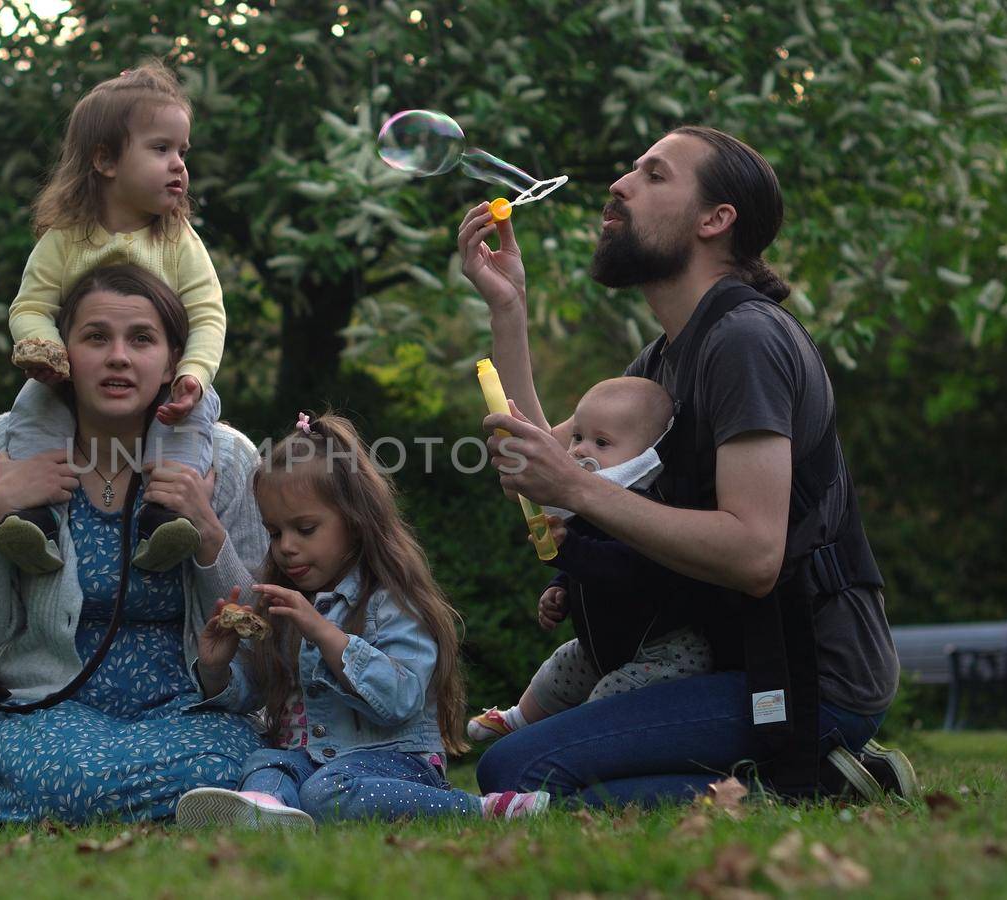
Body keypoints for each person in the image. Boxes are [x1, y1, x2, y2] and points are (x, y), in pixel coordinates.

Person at [458, 125, 916, 806]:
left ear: (716, 219)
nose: (620, 185)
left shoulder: (746, 342)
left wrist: (574, 485)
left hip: (805, 678)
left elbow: (755, 552)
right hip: (733, 661)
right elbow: (548, 461)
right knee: (518, 771)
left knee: (521, 772)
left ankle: (815, 783)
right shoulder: (669, 354)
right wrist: (508, 309)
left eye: (653, 175)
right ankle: (781, 780)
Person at [0, 265, 263, 824]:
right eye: (96, 337)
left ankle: (147, 802)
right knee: (79, 779)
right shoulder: (4, 445)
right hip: (48, 712)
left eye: (142, 339)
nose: (119, 357)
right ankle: (177, 809)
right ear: (62, 353)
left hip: (190, 712)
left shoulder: (225, 458)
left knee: (227, 764)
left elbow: (263, 644)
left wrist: (209, 534)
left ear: (175, 361)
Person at [174, 413, 551, 828]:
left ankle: (478, 809)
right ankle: (265, 812)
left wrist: (323, 634)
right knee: (268, 763)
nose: (286, 547)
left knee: (326, 791)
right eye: (275, 532)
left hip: (392, 763)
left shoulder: (392, 600)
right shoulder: (286, 603)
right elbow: (262, 691)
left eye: (305, 528)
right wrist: (216, 668)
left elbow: (400, 697)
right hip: (309, 761)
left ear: (355, 520)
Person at [0, 61, 226, 577]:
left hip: (166, 391)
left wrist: (193, 373)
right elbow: (30, 306)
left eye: (182, 152)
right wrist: (45, 349)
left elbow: (208, 314)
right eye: (161, 149)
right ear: (105, 160)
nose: (178, 165)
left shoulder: (177, 240)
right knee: (32, 412)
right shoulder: (65, 239)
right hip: (70, 382)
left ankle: (165, 519)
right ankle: (36, 521)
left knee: (191, 421)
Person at [467, 377, 713, 743]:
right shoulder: (587, 506)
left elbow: (624, 568)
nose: (581, 450)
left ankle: (579, 744)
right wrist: (560, 588)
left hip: (666, 653)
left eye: (601, 442)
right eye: (577, 438)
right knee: (565, 662)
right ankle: (519, 718)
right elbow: (585, 566)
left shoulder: (649, 510)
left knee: (609, 694)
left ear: (648, 453)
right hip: (607, 647)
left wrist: (570, 552)